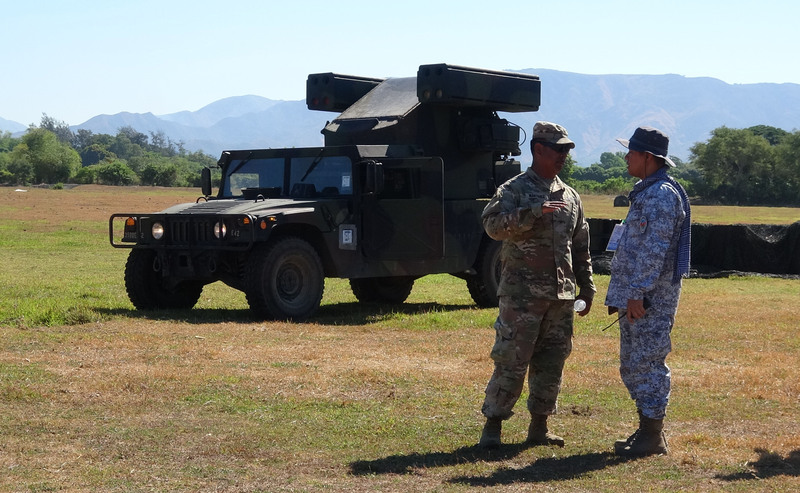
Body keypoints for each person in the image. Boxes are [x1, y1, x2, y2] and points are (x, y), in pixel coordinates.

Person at [478, 121, 596, 449]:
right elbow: (491, 226)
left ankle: (540, 427)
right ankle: (493, 427)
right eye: (558, 149)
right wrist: (531, 213)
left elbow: (580, 245)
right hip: (522, 297)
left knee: (551, 362)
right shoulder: (513, 190)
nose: (563, 155)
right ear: (539, 149)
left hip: (560, 298)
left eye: (567, 150)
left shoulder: (570, 196)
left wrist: (586, 288)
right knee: (511, 360)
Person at [604, 126, 691, 457]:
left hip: (650, 300)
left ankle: (652, 435)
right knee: (632, 364)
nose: (627, 157)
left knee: (648, 363)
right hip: (638, 297)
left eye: (632, 152)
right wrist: (622, 294)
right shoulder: (648, 192)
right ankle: (647, 430)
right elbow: (635, 247)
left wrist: (637, 293)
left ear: (649, 157)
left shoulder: (661, 196)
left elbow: (653, 251)